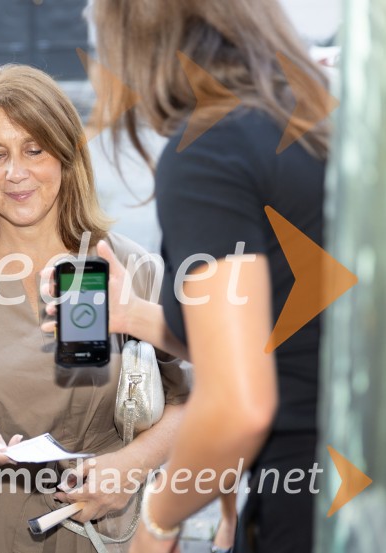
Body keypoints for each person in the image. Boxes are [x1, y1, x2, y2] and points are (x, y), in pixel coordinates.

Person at [0, 64, 190, 552]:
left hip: (114, 533)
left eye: (35, 150)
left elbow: (195, 395)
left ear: (66, 153)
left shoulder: (127, 268)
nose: (16, 173)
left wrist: (132, 465)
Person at [89, 1, 330, 552]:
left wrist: (158, 519)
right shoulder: (315, 114)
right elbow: (287, 329)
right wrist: (136, 316)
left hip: (305, 498)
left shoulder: (209, 147)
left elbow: (239, 405)